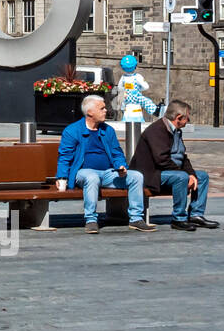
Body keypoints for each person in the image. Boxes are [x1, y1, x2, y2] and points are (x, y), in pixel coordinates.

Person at [56, 93, 155, 233]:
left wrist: (121, 166)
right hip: (84, 173)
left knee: (136, 176)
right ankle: (91, 220)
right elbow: (64, 156)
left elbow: (116, 153)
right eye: (102, 108)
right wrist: (62, 178)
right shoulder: (72, 131)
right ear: (90, 112)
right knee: (92, 177)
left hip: (108, 173)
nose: (106, 111)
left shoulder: (108, 130)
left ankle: (136, 218)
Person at [131, 99, 219, 231]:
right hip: (152, 174)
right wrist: (185, 175)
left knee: (202, 177)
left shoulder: (176, 130)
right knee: (181, 177)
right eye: (187, 118)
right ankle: (179, 218)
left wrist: (191, 174)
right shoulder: (157, 130)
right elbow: (161, 159)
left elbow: (182, 157)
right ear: (178, 118)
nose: (188, 121)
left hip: (170, 171)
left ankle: (196, 214)